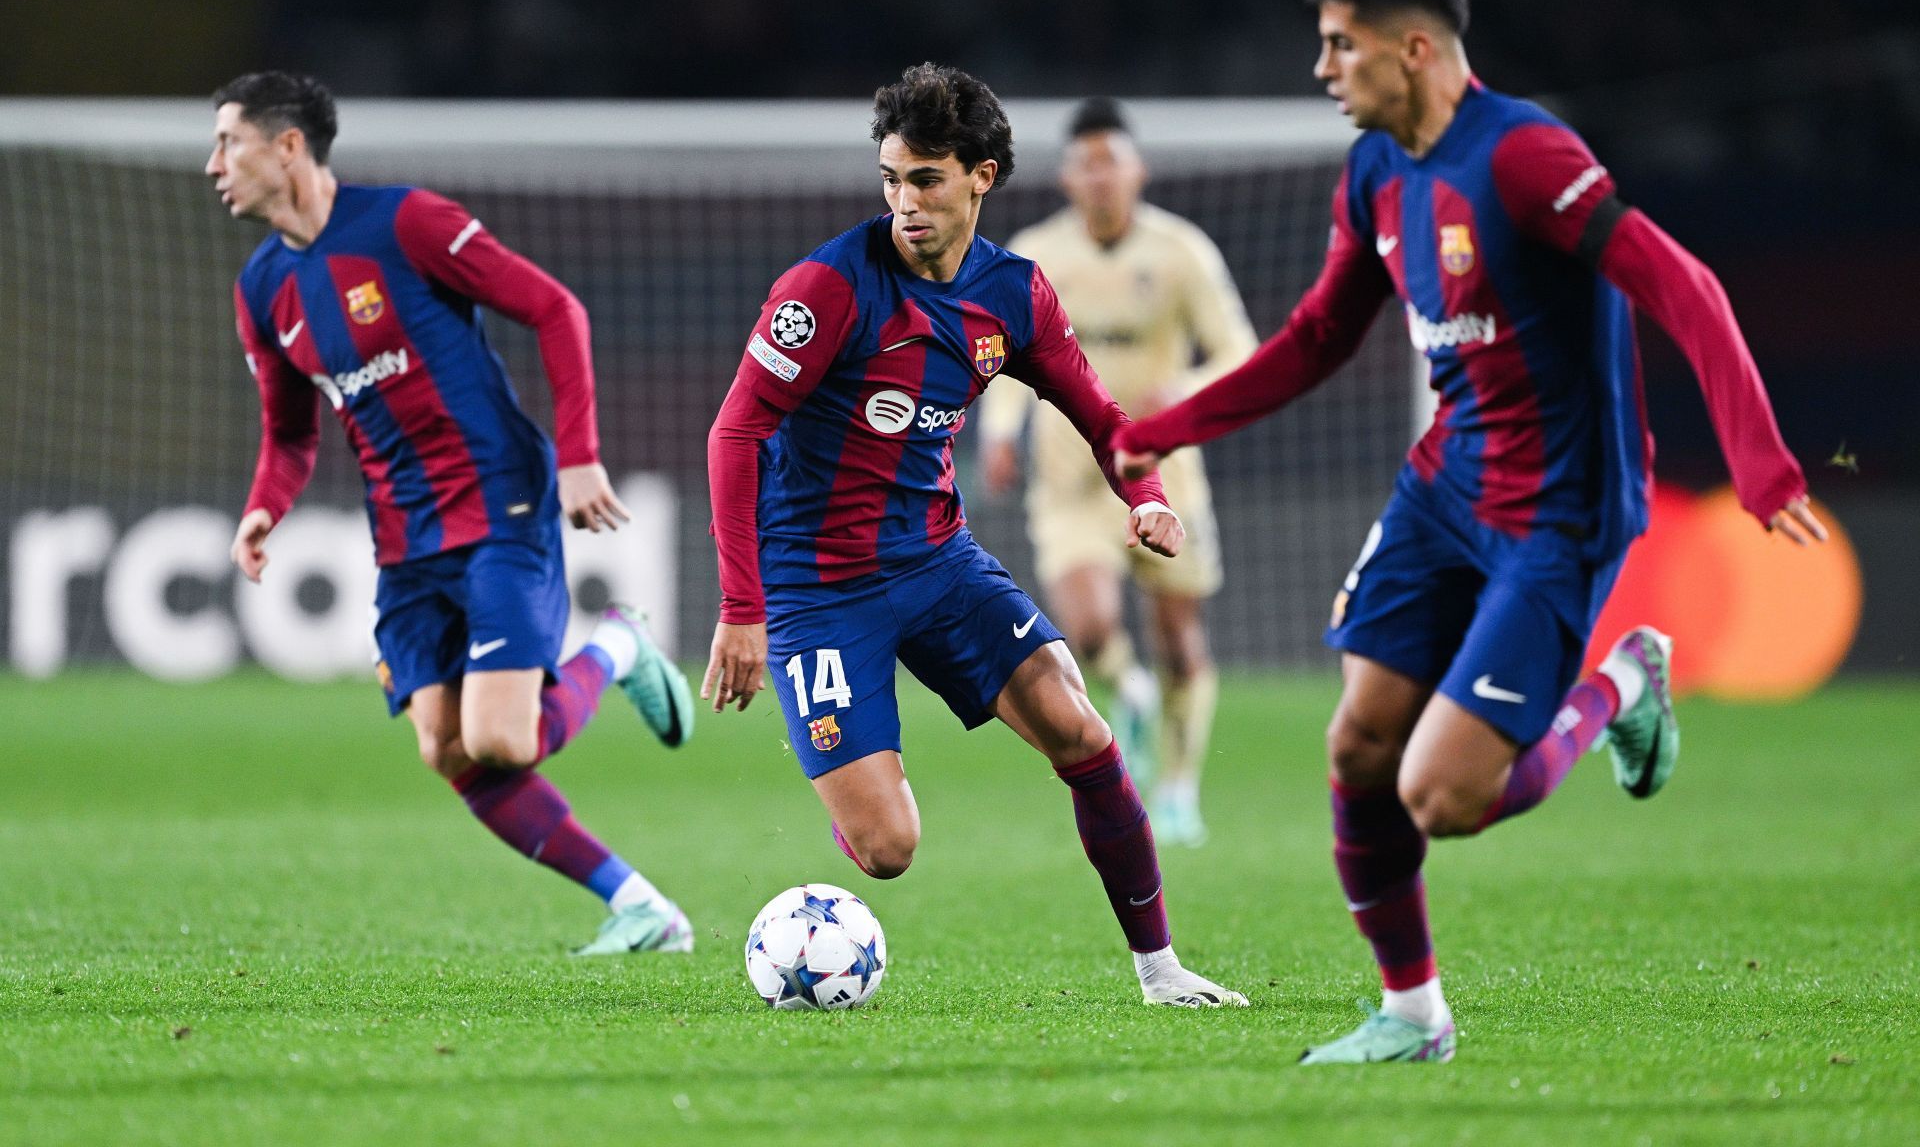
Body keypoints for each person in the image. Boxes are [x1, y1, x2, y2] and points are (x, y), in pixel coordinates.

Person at [1113, 0, 1826, 1061]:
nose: (1322, 69)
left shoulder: (1527, 157)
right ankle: (1412, 1014)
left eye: (1340, 44)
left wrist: (1760, 455)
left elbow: (1680, 282)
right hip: (1445, 486)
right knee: (1358, 746)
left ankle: (1620, 686)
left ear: (1414, 48)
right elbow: (1313, 342)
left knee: (1441, 793)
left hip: (1560, 507)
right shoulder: (1376, 173)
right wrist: (1155, 428)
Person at [703, 62, 1246, 1008]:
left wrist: (1146, 493)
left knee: (1082, 728)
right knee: (888, 850)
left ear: (980, 177)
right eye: (890, 179)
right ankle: (849, 789)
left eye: (926, 180)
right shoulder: (827, 287)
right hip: (816, 588)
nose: (903, 202)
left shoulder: (1015, 294)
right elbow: (735, 430)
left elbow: (1101, 413)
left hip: (940, 563)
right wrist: (742, 610)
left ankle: (1161, 973)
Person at [211, 71, 697, 956]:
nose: (214, 166)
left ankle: (620, 643)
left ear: (287, 147)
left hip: (500, 502)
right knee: (445, 748)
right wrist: (262, 510)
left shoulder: (406, 224)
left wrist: (581, 453)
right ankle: (642, 908)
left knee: (502, 738)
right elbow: (288, 436)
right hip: (404, 539)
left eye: (227, 143)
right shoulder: (261, 289)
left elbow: (556, 308)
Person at [977, 98, 1257, 846]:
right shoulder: (1037, 255)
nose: (1100, 177)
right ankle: (1126, 693)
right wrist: (999, 430)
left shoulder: (1180, 252)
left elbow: (1239, 350)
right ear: (1067, 177)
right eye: (1086, 164)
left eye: (1113, 162)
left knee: (1180, 642)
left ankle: (1177, 788)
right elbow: (1004, 357)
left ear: (1138, 170)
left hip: (1165, 475)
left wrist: (1187, 392)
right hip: (1070, 479)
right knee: (1090, 622)